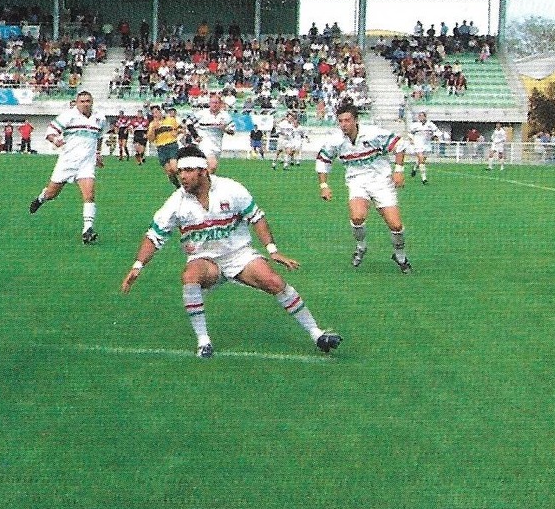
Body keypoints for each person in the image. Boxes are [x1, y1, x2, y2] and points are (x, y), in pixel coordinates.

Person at [121, 146, 341, 358]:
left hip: (239, 255)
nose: (182, 176)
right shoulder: (176, 202)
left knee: (274, 281)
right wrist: (137, 266)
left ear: (203, 170)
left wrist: (272, 250)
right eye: (179, 171)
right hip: (205, 260)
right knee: (190, 275)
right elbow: (154, 236)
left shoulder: (231, 189)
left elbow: (257, 217)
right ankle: (203, 341)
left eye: (188, 170)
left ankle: (317, 335)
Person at [317, 100, 411, 273]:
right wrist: (324, 185)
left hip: (381, 181)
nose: (344, 124)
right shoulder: (335, 140)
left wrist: (398, 170)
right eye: (341, 121)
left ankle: (400, 255)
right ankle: (361, 247)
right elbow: (323, 160)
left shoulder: (373, 133)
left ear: (356, 120)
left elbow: (399, 144)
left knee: (396, 225)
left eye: (347, 120)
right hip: (356, 181)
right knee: (357, 216)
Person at [28, 89, 107, 245]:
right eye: (82, 101)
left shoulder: (100, 118)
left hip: (86, 164)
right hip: (67, 162)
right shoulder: (68, 116)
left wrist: (97, 153)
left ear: (92, 102)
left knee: (89, 195)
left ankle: (87, 230)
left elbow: (99, 136)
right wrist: (55, 140)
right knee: (52, 194)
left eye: (88, 101)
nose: (85, 104)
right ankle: (41, 198)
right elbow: (50, 132)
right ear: (77, 103)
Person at [146, 104, 184, 186]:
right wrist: (153, 129)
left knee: (174, 168)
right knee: (169, 172)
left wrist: (177, 132)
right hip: (161, 148)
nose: (155, 115)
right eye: (153, 113)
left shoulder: (170, 120)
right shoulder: (152, 125)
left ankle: (187, 182)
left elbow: (181, 128)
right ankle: (178, 187)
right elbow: (150, 139)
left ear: (160, 111)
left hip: (171, 145)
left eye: (156, 112)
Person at [408, 109, 440, 184]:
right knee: (421, 159)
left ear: (425, 117)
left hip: (427, 144)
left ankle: (415, 168)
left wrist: (436, 137)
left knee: (421, 160)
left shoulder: (430, 124)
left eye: (422, 116)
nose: (421, 117)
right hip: (418, 144)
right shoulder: (415, 125)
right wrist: (411, 140)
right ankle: (424, 179)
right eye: (419, 116)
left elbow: (436, 132)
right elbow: (410, 133)